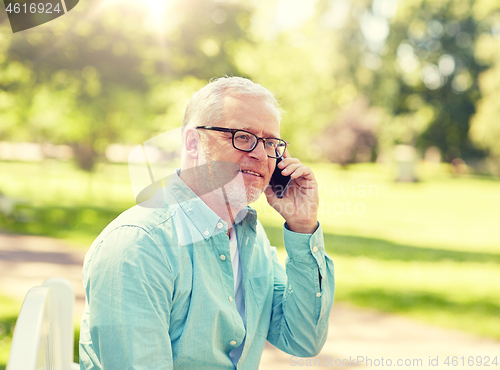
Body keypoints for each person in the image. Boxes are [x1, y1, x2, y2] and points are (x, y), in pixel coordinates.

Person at [79, 76, 335, 369]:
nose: (260, 155)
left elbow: (301, 339)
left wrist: (303, 226)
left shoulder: (251, 237)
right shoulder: (139, 245)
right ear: (192, 142)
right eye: (242, 136)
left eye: (270, 142)